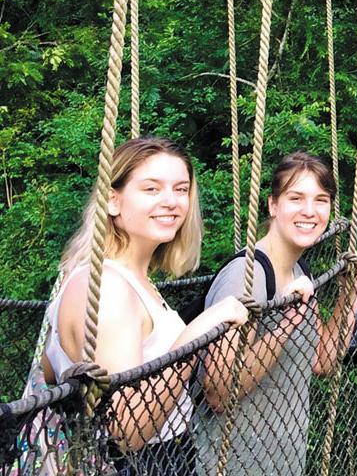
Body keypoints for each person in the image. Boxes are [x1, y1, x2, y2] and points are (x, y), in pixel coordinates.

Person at [41, 137, 249, 475]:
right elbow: (125, 431)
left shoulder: (119, 278)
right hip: (140, 464)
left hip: (165, 458)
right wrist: (198, 334)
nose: (171, 202)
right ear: (113, 201)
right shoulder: (107, 286)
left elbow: (51, 370)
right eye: (151, 189)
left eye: (181, 189)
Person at [197, 151, 357, 474]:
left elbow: (322, 361)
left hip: (284, 457)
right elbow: (218, 393)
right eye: (296, 198)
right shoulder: (247, 276)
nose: (309, 211)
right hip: (235, 463)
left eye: (321, 199)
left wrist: (351, 291)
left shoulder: (298, 268)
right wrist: (288, 321)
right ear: (273, 205)